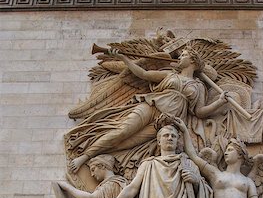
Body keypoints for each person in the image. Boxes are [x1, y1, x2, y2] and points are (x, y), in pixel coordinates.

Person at [66, 47, 228, 173]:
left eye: (184, 55)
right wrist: (124, 58)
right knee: (122, 131)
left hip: (165, 122)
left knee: (129, 142)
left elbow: (199, 112)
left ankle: (99, 157)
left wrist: (219, 102)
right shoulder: (169, 75)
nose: (180, 57)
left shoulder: (198, 86)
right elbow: (142, 73)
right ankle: (84, 156)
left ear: (193, 60)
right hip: (151, 106)